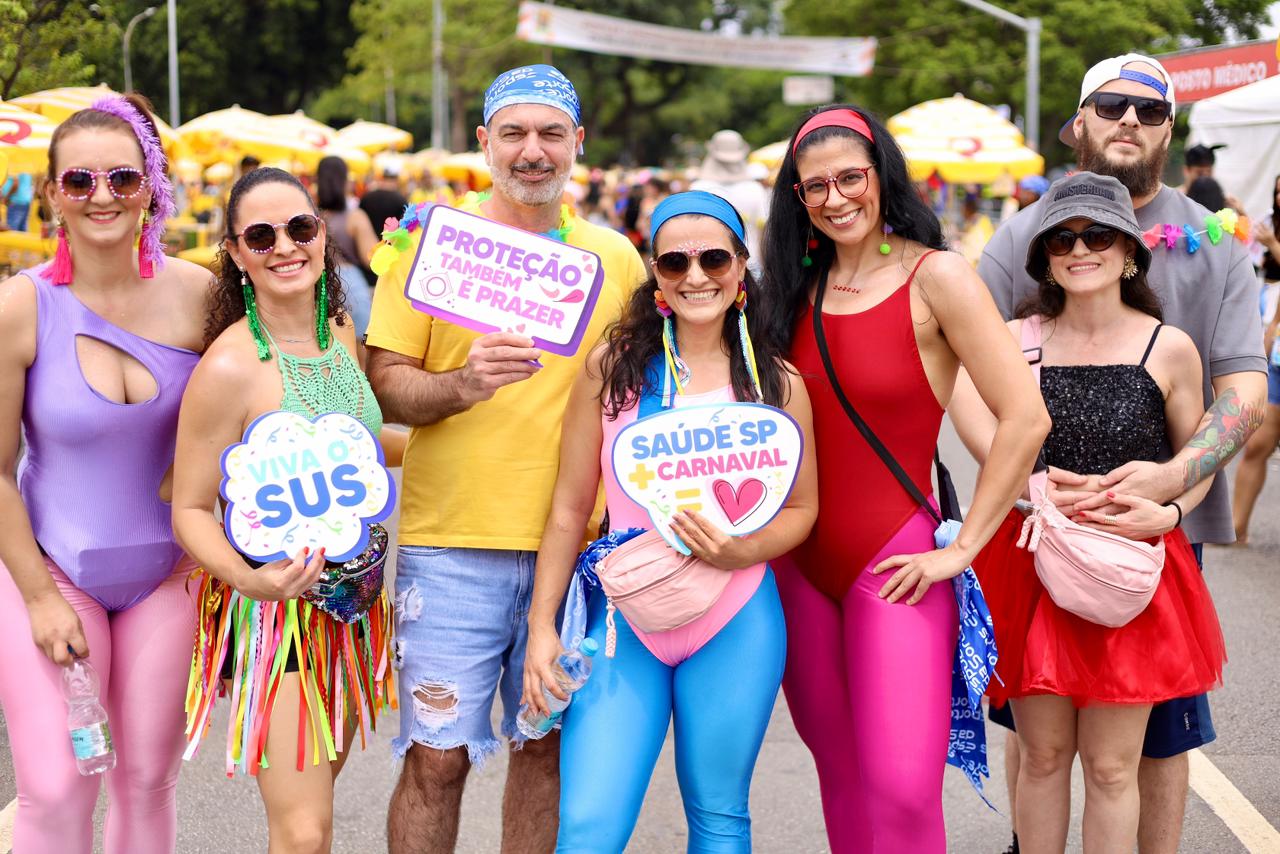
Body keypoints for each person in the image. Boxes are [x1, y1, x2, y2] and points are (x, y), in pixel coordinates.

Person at [977, 53, 1267, 854]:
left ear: (1171, 127)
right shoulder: (1017, 238)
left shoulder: (1214, 242)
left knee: (1155, 739)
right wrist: (1019, 478)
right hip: (1039, 534)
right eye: (1111, 106)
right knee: (1040, 727)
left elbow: (1243, 381)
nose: (1129, 121)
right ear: (1081, 120)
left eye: (1148, 109)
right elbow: (970, 364)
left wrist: (1175, 479)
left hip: (1156, 532)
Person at [366, 64, 646, 853]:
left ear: (577, 145)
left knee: (546, 751)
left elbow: (638, 395)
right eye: (515, 133)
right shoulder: (430, 245)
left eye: (551, 134)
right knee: (436, 758)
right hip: (452, 542)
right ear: (484, 142)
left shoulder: (615, 260)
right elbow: (385, 385)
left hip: (581, 549)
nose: (533, 151)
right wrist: (462, 384)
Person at [759, 104, 1049, 854]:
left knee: (902, 788)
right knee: (841, 774)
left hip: (897, 566)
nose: (835, 197)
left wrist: (962, 550)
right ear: (796, 198)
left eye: (850, 177)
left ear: (882, 177)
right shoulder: (790, 291)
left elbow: (1025, 419)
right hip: (797, 567)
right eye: (813, 185)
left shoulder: (937, 276)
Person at [523, 191, 817, 852]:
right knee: (589, 827)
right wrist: (543, 628)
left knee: (718, 816)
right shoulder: (611, 371)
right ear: (655, 274)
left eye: (714, 257)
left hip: (736, 618)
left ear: (742, 267)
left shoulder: (777, 385)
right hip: (626, 622)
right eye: (674, 261)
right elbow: (570, 509)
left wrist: (746, 550)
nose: (695, 275)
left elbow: (803, 509)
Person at [957, 172, 1226, 854]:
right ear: (1043, 255)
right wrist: (1027, 482)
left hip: (1128, 575)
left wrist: (1171, 513)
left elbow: (1195, 456)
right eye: (1062, 238)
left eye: (1098, 235)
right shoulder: (1015, 339)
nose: (1080, 249)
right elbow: (960, 393)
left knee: (1111, 767)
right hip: (1031, 565)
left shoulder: (1167, 347)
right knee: (1042, 758)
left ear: (1130, 250)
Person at [0, 93, 210, 853]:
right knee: (56, 786)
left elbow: (282, 379)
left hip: (170, 577)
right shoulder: (21, 308)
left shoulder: (200, 296)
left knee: (147, 780)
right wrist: (36, 597)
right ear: (53, 193)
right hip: (55, 576)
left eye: (122, 179)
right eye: (80, 181)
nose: (102, 197)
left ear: (149, 186)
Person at [172, 167, 405, 852]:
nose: (285, 246)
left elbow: (357, 445)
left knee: (313, 816)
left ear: (321, 233)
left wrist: (444, 444)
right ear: (238, 253)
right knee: (303, 833)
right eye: (261, 235)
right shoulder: (228, 368)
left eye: (299, 227)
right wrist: (250, 580)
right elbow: (189, 506)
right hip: (278, 625)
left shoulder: (340, 332)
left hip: (354, 611)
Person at [1234, 173, 1280, 544]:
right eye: (1278, 191)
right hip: (1277, 352)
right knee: (1257, 444)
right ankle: (1237, 528)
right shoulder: (1269, 223)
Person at [315, 155, 378, 338]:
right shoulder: (355, 217)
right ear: (344, 180)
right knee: (359, 352)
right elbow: (372, 259)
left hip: (319, 283)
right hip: (351, 285)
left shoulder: (311, 217)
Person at [691, 130, 770, 260]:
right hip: (750, 262)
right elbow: (764, 231)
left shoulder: (698, 188)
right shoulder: (754, 189)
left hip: (710, 265)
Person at [359, 163, 409, 244]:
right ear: (396, 180)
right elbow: (405, 226)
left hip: (367, 244)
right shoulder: (400, 199)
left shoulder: (367, 197)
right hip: (390, 246)